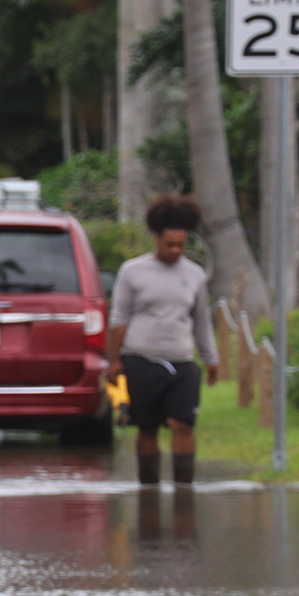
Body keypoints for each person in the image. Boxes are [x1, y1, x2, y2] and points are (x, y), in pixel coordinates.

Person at [106, 194, 221, 485]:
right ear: (156, 237)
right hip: (141, 361)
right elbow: (119, 318)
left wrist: (210, 358)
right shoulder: (132, 271)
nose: (175, 250)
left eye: (181, 245)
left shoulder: (194, 275)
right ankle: (149, 487)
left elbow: (202, 322)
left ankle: (184, 486)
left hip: (182, 363)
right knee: (148, 428)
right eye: (169, 244)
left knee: (182, 424)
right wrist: (113, 360)